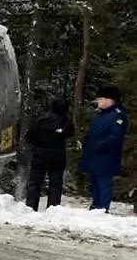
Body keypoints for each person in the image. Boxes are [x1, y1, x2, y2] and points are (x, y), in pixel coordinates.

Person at [78, 84, 129, 212]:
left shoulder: (118, 115)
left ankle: (103, 207)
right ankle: (95, 205)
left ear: (109, 100)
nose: (98, 102)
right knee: (94, 181)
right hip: (94, 155)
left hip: (107, 156)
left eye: (100, 99)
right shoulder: (100, 114)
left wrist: (99, 145)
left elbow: (116, 136)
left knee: (104, 182)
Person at [24, 98, 74, 211]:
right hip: (57, 155)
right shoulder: (66, 123)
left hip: (40, 153)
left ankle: (31, 206)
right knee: (55, 183)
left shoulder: (41, 121)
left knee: (35, 182)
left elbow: (29, 136)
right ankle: (53, 207)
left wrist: (38, 144)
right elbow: (70, 134)